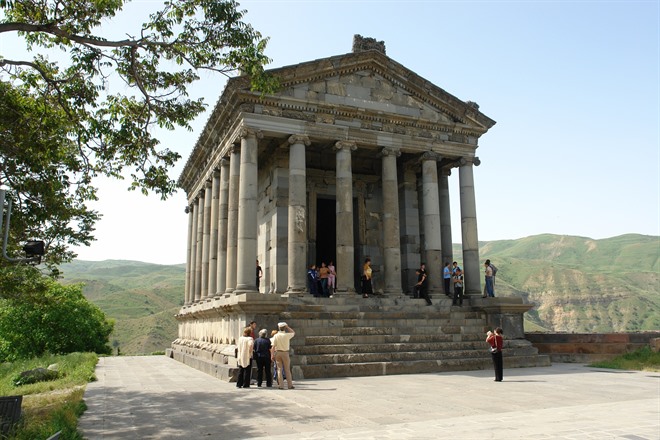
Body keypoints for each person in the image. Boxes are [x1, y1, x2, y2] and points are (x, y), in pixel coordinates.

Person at [272, 322, 295, 389]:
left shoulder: (276, 336)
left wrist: (272, 355)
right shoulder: (287, 335)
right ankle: (290, 385)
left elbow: (273, 346)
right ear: (284, 328)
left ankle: (281, 385)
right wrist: (287, 327)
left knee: (279, 369)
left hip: (278, 352)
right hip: (285, 353)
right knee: (287, 369)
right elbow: (293, 332)